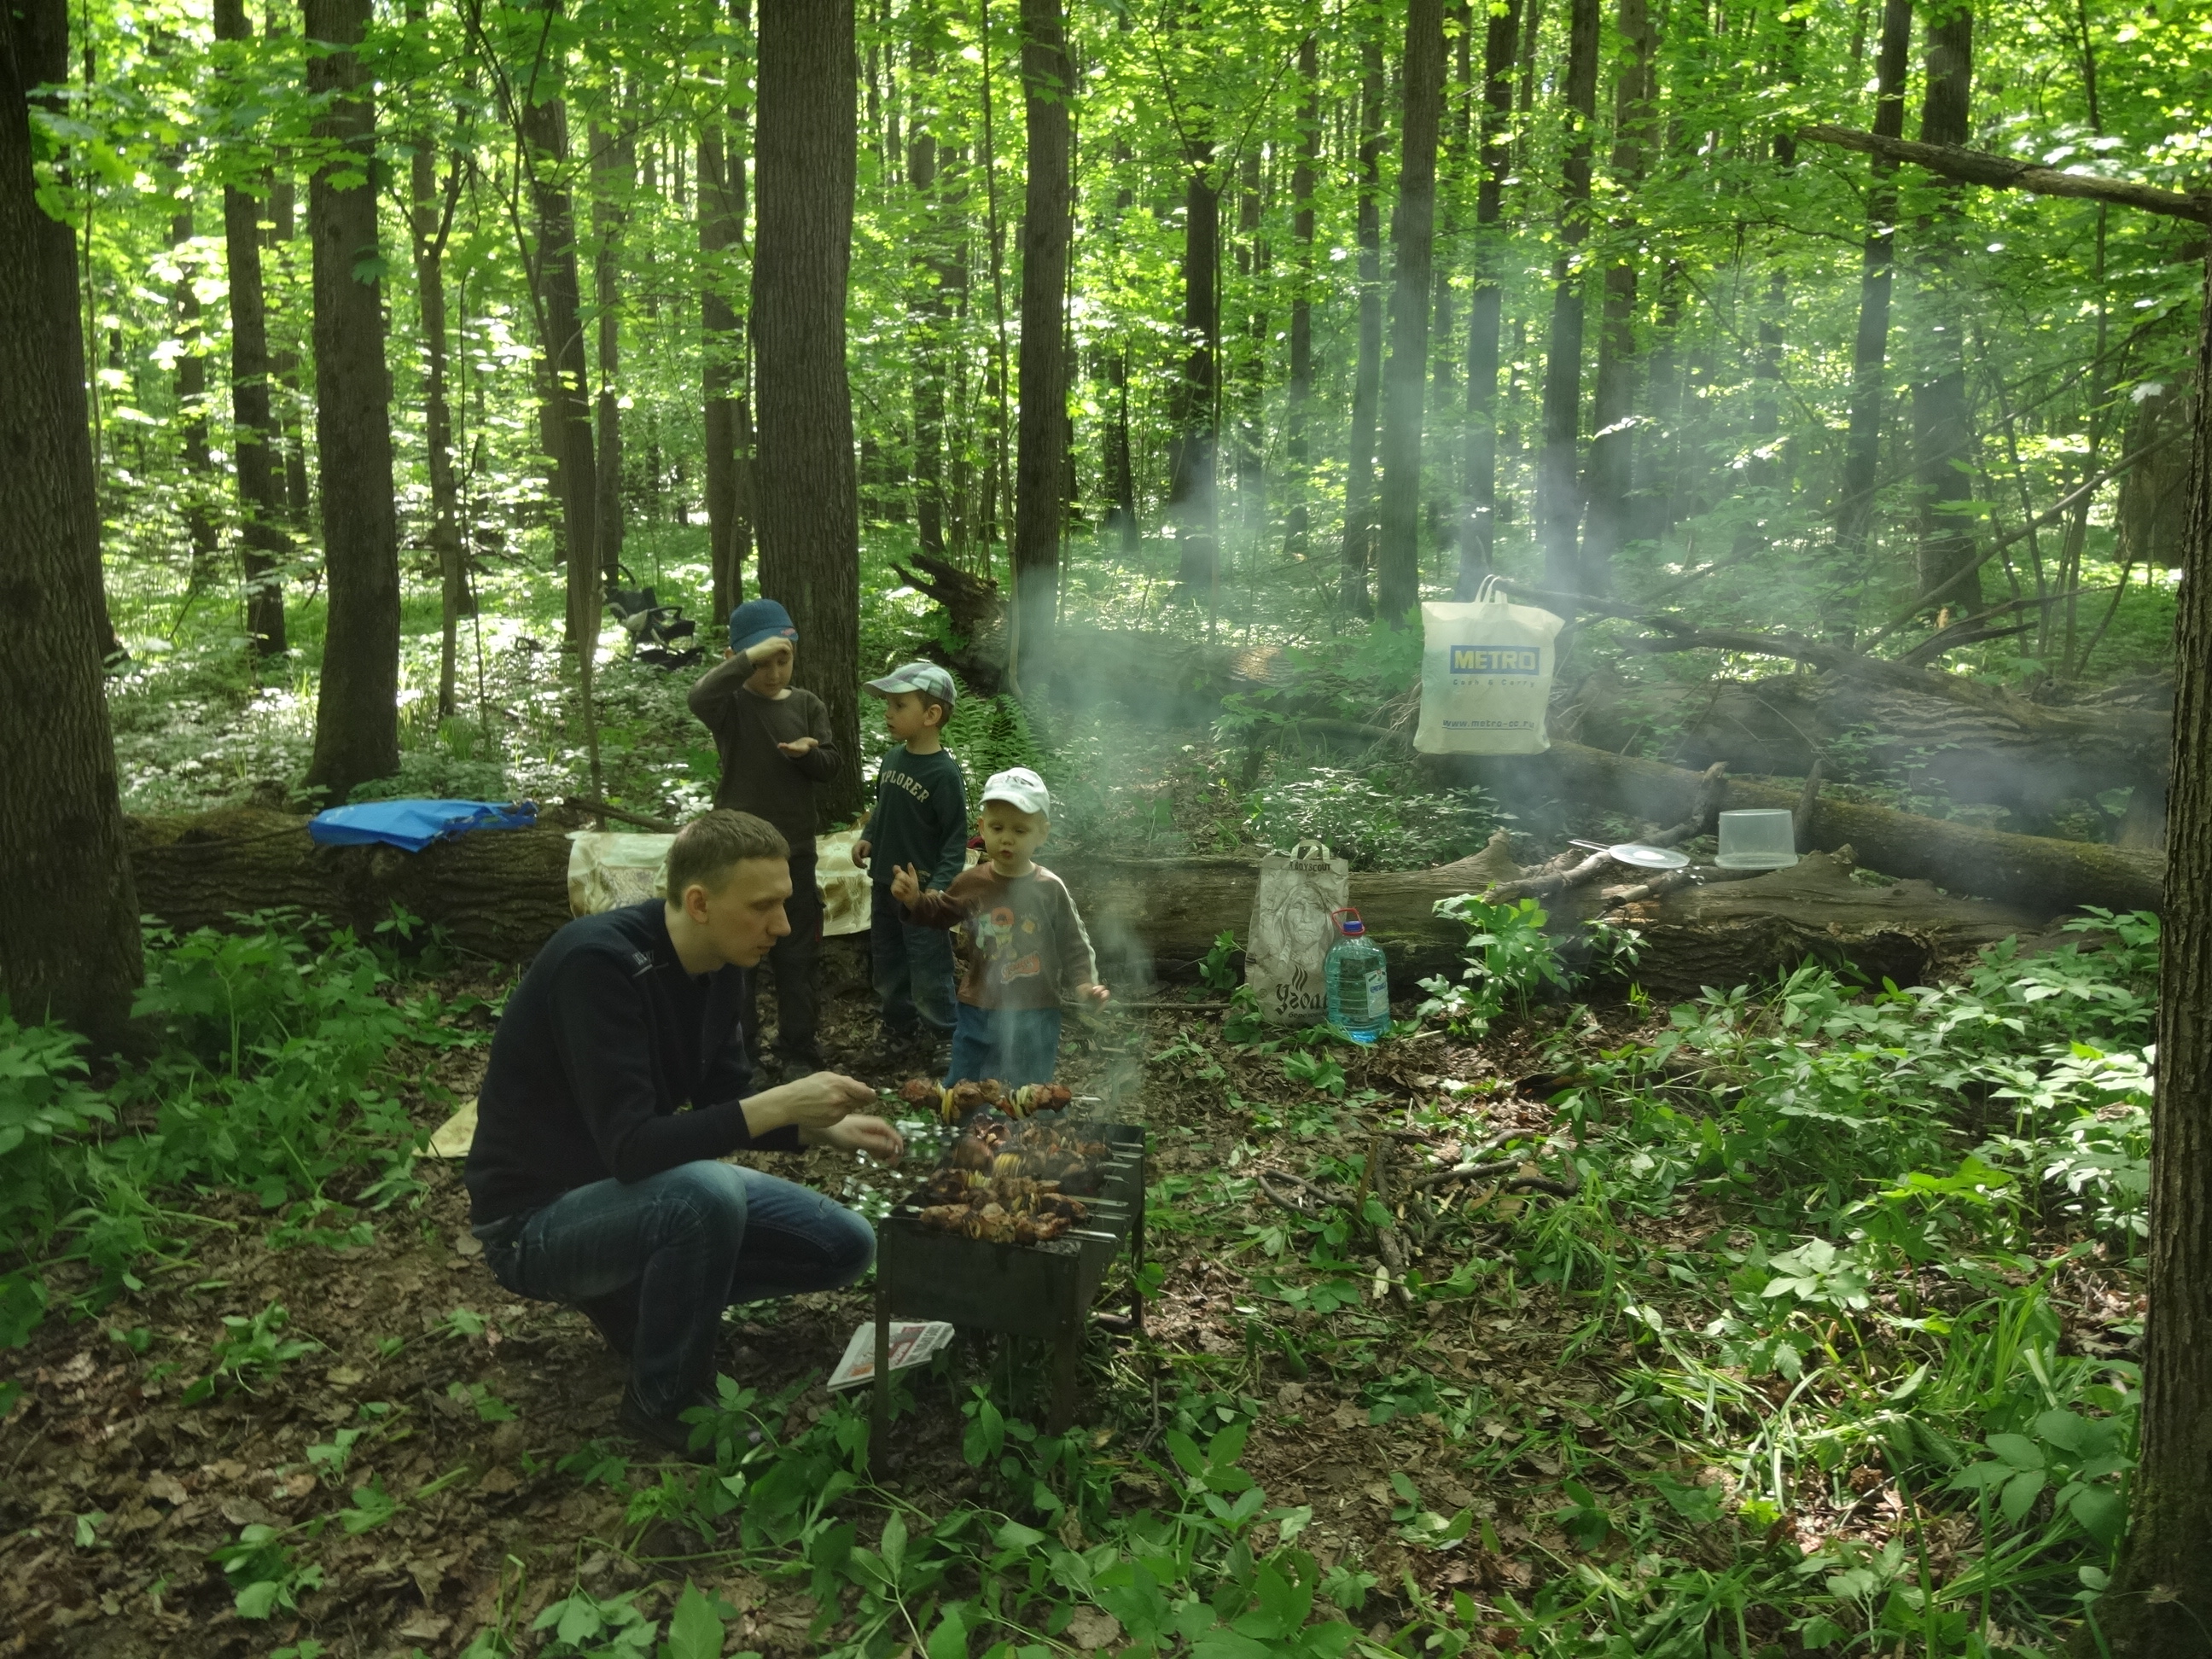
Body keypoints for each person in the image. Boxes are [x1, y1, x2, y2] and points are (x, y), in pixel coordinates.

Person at [464, 810, 904, 1458]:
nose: (782, 926)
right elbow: (633, 1148)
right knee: (703, 1197)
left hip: (632, 1194)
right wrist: (784, 1100)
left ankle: (640, 1297)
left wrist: (822, 1130)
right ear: (699, 903)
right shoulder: (598, 965)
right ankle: (664, 1400)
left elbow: (724, 1102)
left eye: (784, 903)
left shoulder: (721, 962)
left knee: (845, 1246)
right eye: (762, 907)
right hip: (535, 1224)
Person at [686, 597, 838, 1078]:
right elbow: (698, 698)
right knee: (738, 960)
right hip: (738, 857)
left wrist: (808, 755)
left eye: (783, 660)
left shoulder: (807, 705)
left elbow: (831, 765)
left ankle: (799, 1050)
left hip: (795, 852)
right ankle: (740, 1055)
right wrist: (746, 659)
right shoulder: (730, 706)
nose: (773, 673)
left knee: (797, 955)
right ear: (737, 658)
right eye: (761, 662)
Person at [889, 766, 1110, 1087]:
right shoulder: (971, 882)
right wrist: (914, 900)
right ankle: (963, 1119)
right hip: (980, 1003)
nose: (1007, 838)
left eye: (1020, 830)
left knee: (1032, 1089)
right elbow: (939, 913)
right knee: (965, 1082)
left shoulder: (1049, 888)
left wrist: (1084, 984)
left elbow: (1073, 941)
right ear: (982, 828)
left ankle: (1031, 1120)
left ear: (1042, 833)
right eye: (997, 828)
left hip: (1036, 1007)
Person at [853, 662, 967, 1073]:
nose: (888, 713)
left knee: (930, 965)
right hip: (884, 882)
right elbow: (883, 807)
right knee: (888, 961)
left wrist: (938, 887)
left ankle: (945, 1035)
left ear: (931, 715)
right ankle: (898, 1029)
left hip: (920, 896)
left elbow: (955, 838)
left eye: (899, 705)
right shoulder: (892, 759)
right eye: (888, 705)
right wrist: (869, 835)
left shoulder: (944, 774)